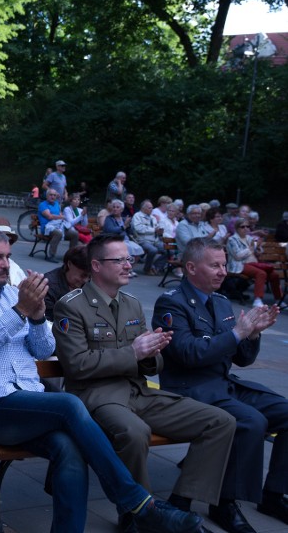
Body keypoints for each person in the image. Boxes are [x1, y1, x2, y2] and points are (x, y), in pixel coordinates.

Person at [0, 227, 207, 533]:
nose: (5, 264)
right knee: (69, 404)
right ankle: (139, 504)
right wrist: (21, 310)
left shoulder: (15, 294)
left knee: (69, 448)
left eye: (8, 257)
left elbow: (44, 349)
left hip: (29, 404)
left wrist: (38, 317)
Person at [53, 233, 236, 532]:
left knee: (221, 422)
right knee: (134, 432)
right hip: (97, 396)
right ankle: (135, 512)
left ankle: (178, 507)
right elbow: (77, 366)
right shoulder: (71, 306)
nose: (128, 265)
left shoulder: (132, 304)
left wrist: (152, 352)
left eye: (129, 259)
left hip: (138, 392)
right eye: (120, 260)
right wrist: (133, 352)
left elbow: (151, 364)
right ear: (97, 266)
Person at [153, 238, 288, 533]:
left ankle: (274, 495)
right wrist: (238, 333)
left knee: (285, 411)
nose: (223, 271)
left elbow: (242, 359)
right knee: (251, 421)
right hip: (190, 389)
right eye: (214, 265)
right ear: (191, 268)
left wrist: (252, 334)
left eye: (224, 264)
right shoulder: (172, 303)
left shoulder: (221, 301)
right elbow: (188, 354)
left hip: (223, 384)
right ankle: (225, 504)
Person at [227, 219, 284, 308]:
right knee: (261, 273)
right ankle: (257, 299)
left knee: (274, 275)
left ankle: (278, 299)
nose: (246, 228)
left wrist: (258, 248)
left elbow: (258, 253)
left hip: (254, 263)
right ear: (237, 228)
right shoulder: (232, 239)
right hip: (239, 264)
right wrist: (250, 248)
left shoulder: (250, 239)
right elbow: (237, 256)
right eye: (243, 227)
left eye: (247, 226)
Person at [43, 244, 89, 321]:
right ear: (69, 264)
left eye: (89, 276)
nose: (86, 280)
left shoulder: (90, 283)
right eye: (83, 275)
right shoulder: (48, 286)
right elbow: (49, 320)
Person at [102, 199, 144, 277]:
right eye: (114, 207)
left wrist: (129, 224)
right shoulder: (109, 218)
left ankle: (130, 269)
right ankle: (124, 270)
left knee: (139, 249)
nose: (115, 209)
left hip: (125, 239)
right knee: (128, 249)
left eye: (117, 207)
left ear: (121, 209)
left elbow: (130, 231)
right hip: (114, 240)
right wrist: (123, 226)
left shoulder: (124, 218)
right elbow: (110, 230)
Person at [39, 189, 80, 264]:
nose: (52, 197)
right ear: (47, 196)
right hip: (47, 228)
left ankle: (71, 256)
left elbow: (60, 214)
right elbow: (49, 216)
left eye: (54, 195)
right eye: (50, 195)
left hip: (59, 226)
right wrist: (60, 217)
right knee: (58, 233)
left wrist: (60, 217)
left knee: (75, 234)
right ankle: (51, 255)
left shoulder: (56, 204)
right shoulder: (43, 205)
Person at [131, 199, 165, 275]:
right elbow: (138, 229)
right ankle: (147, 269)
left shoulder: (153, 218)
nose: (152, 209)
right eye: (150, 208)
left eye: (152, 207)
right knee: (153, 250)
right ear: (143, 208)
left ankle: (156, 267)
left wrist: (160, 231)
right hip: (142, 240)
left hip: (155, 240)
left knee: (170, 249)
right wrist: (154, 230)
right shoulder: (137, 216)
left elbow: (156, 227)